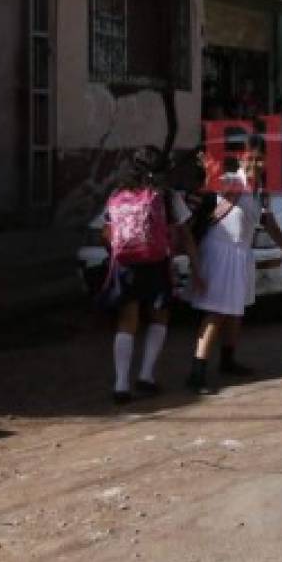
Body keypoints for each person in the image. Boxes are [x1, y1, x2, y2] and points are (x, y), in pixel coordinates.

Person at [185, 135, 282, 394]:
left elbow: (270, 224)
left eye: (260, 159)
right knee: (215, 312)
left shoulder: (261, 192)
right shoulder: (232, 181)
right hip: (220, 254)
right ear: (241, 158)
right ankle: (197, 371)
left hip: (240, 255)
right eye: (251, 158)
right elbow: (214, 184)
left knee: (235, 312)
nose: (255, 164)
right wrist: (209, 170)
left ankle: (227, 361)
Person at [103, 147, 203, 404]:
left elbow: (106, 232)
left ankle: (121, 384)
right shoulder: (167, 196)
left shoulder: (118, 194)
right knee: (159, 316)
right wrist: (197, 268)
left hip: (125, 265)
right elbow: (185, 234)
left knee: (127, 320)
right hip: (157, 264)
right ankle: (146, 376)